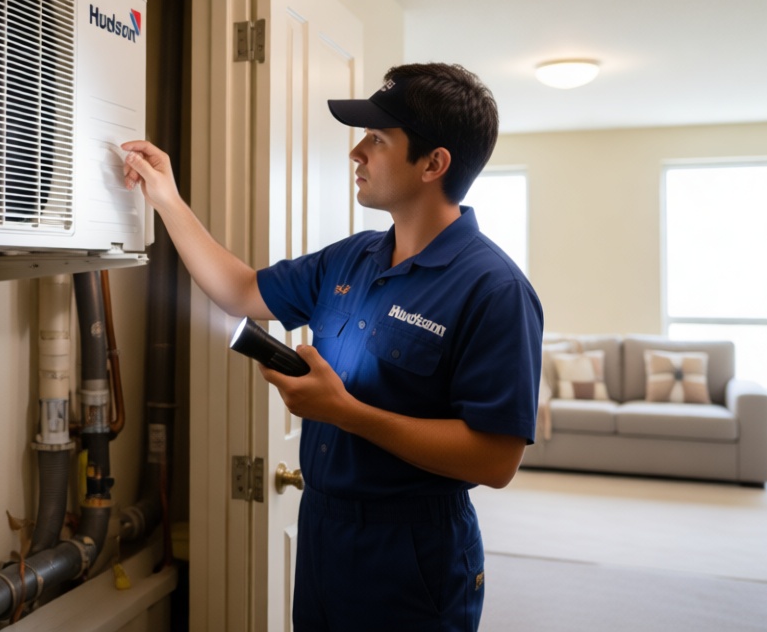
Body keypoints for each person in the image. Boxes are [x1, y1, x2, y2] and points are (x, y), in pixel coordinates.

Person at [122, 62, 542, 631]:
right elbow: (242, 291)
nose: (356, 152)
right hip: (324, 531)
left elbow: (495, 460)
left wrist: (344, 412)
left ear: (433, 163)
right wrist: (166, 198)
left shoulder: (495, 290)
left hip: (412, 552)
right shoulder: (353, 257)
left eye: (377, 139)